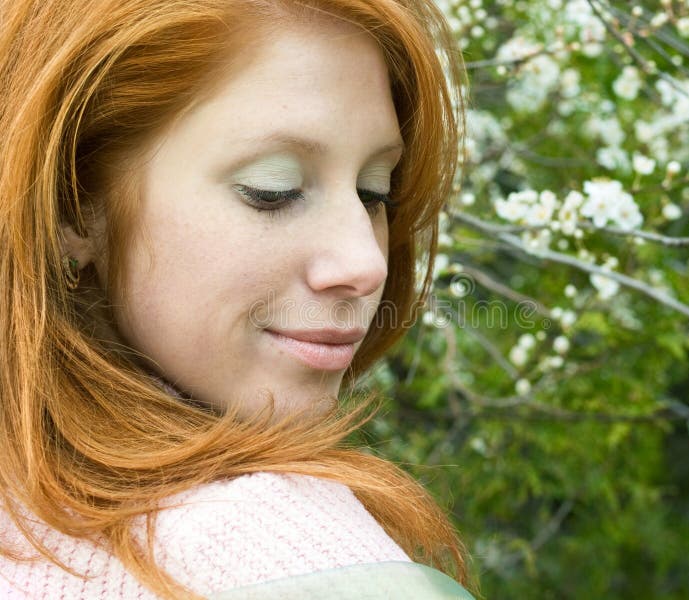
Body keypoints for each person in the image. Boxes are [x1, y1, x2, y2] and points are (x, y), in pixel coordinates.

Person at [0, 0, 476, 598]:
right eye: (272, 190)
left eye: (372, 191)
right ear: (72, 202)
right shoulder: (293, 555)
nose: (366, 263)